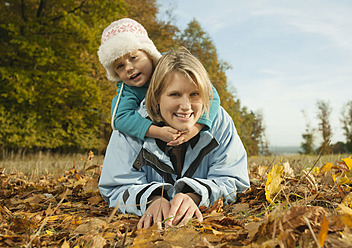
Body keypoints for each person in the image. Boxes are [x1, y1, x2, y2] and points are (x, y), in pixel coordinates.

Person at [98, 48, 250, 229]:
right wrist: (152, 200)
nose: (186, 106)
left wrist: (194, 195)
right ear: (156, 98)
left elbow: (233, 178)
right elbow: (115, 185)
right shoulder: (129, 126)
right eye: (174, 94)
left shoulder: (219, 121)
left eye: (195, 94)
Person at [97, 18, 221, 146]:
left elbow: (211, 95)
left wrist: (196, 127)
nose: (128, 68)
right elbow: (119, 117)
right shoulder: (128, 89)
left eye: (133, 58)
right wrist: (157, 132)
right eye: (120, 66)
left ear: (149, 54)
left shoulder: (171, 67)